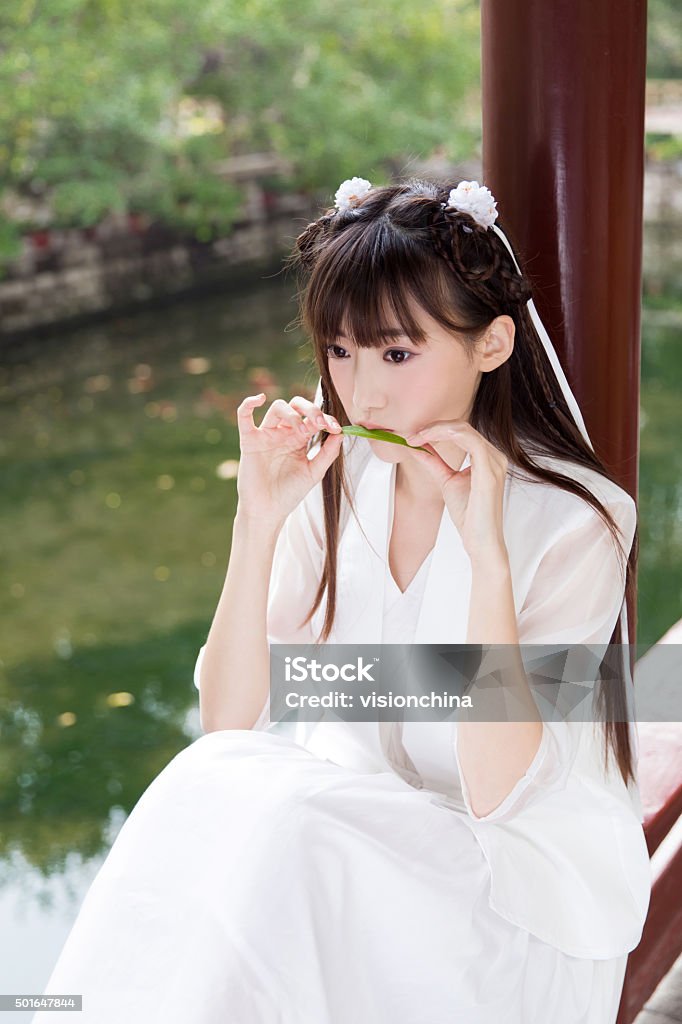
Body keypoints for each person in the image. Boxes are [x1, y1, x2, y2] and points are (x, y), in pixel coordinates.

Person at [33, 178, 651, 1023]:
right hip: (350, 856)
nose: (362, 394)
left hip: (513, 895)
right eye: (339, 351)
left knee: (288, 829)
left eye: (398, 354)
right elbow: (227, 725)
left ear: (493, 344)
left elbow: (501, 794)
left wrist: (487, 557)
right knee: (212, 790)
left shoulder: (579, 521)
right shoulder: (337, 484)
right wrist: (259, 520)